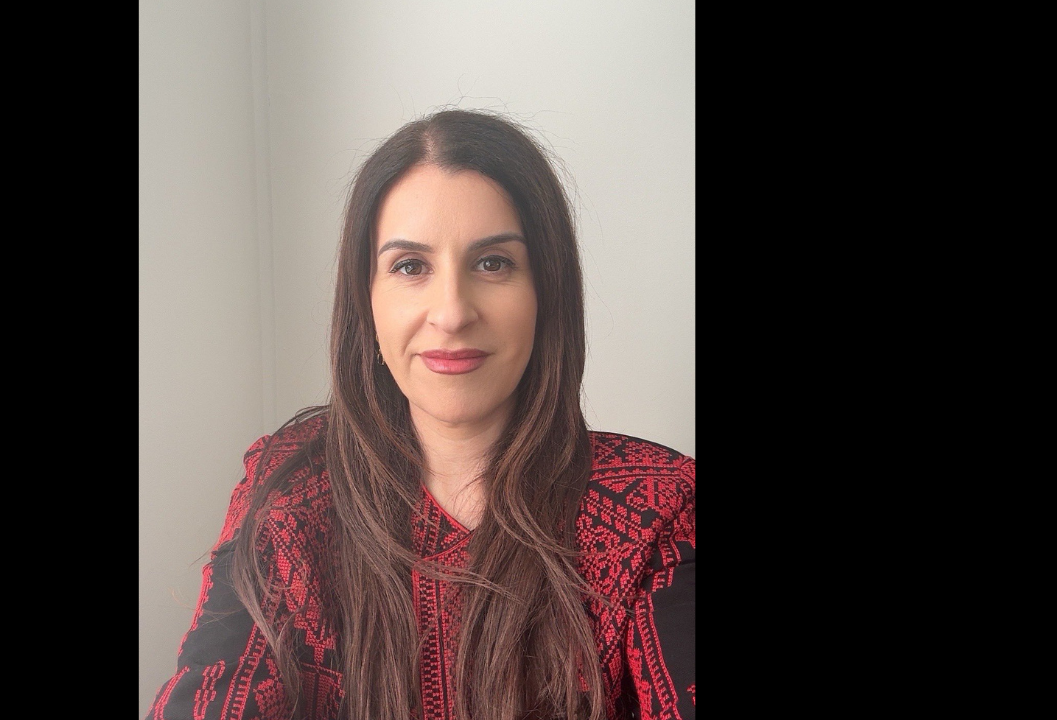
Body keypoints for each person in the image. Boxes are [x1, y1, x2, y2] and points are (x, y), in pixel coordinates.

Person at [146, 109, 695, 720]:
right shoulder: (289, 488)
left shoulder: (659, 506)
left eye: (493, 262)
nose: (452, 312)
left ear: (547, 291)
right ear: (366, 300)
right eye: (410, 266)